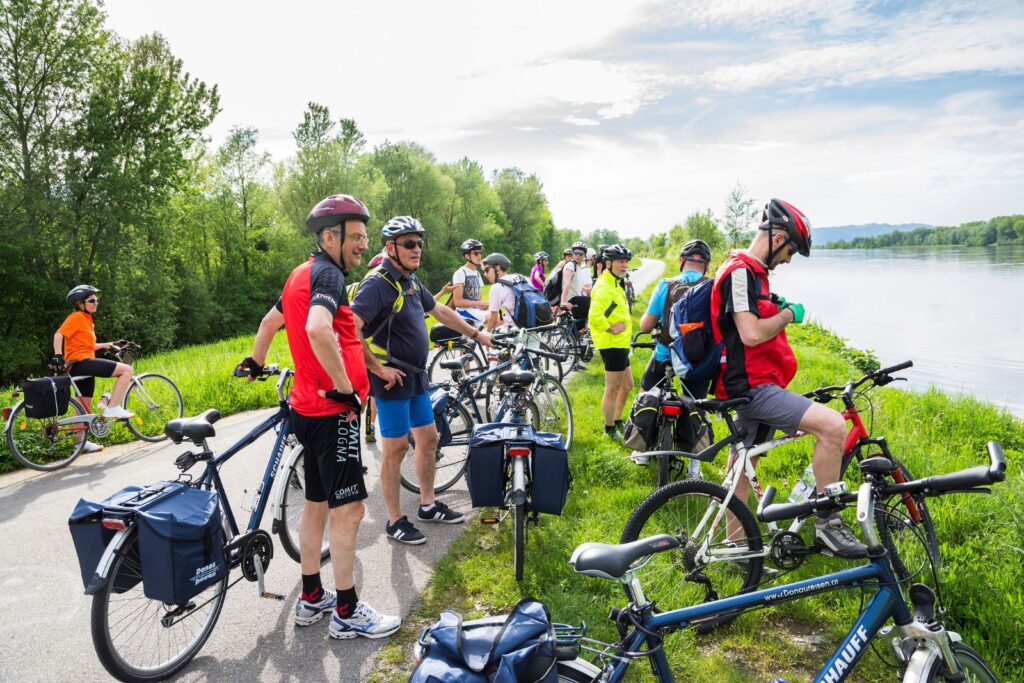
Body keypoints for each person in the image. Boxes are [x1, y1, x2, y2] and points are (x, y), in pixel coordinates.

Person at [238, 194, 401, 639]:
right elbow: (315, 327)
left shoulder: (299, 275)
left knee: (314, 506)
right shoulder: (327, 275)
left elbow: (269, 324)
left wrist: (255, 363)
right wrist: (346, 391)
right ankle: (347, 611)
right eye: (356, 237)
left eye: (367, 237)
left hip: (305, 411)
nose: (363, 245)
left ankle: (311, 598)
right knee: (348, 511)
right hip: (332, 414)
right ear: (330, 236)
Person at [711, 198, 866, 559]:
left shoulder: (750, 274)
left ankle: (736, 548)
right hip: (751, 388)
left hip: (753, 384)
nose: (788, 259)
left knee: (743, 466)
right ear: (777, 236)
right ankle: (829, 525)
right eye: (791, 250)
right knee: (831, 427)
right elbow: (749, 334)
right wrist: (787, 315)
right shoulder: (740, 271)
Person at [351, 216, 494, 545]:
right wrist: (376, 368)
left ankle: (427, 505)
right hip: (392, 382)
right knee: (396, 450)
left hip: (416, 378)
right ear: (390, 248)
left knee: (429, 440)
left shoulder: (410, 281)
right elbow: (350, 328)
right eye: (409, 244)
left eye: (419, 243)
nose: (417, 249)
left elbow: (440, 312)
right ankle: (394, 520)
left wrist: (476, 334)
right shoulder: (378, 283)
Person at [632, 239, 713, 469]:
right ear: (705, 265)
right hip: (697, 360)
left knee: (646, 393)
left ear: (681, 262)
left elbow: (646, 326)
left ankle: (642, 451)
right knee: (698, 407)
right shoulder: (713, 287)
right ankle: (694, 468)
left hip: (665, 354)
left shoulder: (665, 284)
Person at [53, 285, 135, 452]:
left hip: (81, 365)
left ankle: (80, 443)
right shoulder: (76, 317)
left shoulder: (86, 320)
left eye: (96, 300)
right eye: (92, 300)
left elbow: (87, 345)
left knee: (82, 406)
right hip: (82, 363)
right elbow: (58, 334)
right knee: (127, 370)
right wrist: (58, 355)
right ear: (80, 303)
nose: (96, 303)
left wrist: (108, 345)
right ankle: (112, 407)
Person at [588, 244, 634, 440]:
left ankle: (616, 419)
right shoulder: (604, 285)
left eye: (625, 262)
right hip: (612, 343)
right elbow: (594, 315)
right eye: (620, 262)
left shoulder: (615, 282)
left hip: (621, 343)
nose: (624, 265)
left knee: (628, 385)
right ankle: (609, 429)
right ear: (609, 263)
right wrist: (609, 327)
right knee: (613, 388)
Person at [451, 239, 489, 323]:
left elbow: (479, 299)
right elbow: (458, 302)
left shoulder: (477, 274)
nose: (479, 256)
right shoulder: (460, 273)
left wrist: (482, 305)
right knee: (495, 319)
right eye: (476, 253)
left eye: (480, 253)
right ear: (467, 256)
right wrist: (479, 303)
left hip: (476, 311)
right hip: (464, 312)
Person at [481, 252, 521, 330]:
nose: (485, 274)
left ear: (498, 268)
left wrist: (486, 336)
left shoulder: (496, 287)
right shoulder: (521, 277)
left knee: (485, 335)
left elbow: (493, 320)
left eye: (487, 270)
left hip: (514, 332)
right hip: (533, 328)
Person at [559, 241, 590, 329]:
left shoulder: (578, 267)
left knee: (583, 319)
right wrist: (563, 302)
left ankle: (573, 335)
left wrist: (587, 290)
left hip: (576, 298)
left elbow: (576, 284)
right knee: (593, 303)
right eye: (576, 253)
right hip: (571, 299)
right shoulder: (570, 265)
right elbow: (567, 284)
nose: (578, 255)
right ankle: (571, 333)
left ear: (584, 255)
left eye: (581, 253)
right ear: (572, 254)